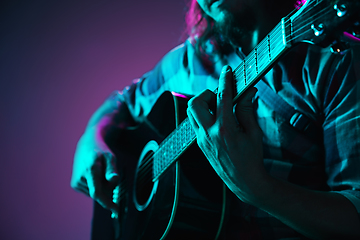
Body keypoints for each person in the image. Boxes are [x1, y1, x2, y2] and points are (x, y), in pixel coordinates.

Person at [71, 0, 360, 239]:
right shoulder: (190, 60)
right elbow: (123, 101)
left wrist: (257, 188)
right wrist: (90, 139)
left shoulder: (335, 64)